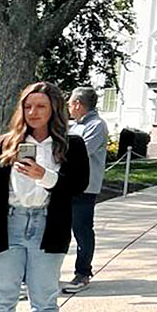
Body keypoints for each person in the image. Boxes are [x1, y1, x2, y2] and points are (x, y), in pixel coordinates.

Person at [0, 82, 89, 312]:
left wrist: (44, 175)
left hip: (48, 227)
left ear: (53, 109)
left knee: (44, 303)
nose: (33, 112)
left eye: (41, 106)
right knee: (0, 304)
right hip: (7, 226)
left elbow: (79, 185)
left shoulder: (71, 145)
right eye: (28, 106)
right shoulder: (2, 145)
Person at [63, 87, 108, 294]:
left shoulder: (96, 126)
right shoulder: (73, 126)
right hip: (64, 185)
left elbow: (79, 152)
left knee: (82, 230)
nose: (68, 107)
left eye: (70, 103)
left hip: (85, 187)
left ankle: (82, 273)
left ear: (78, 104)